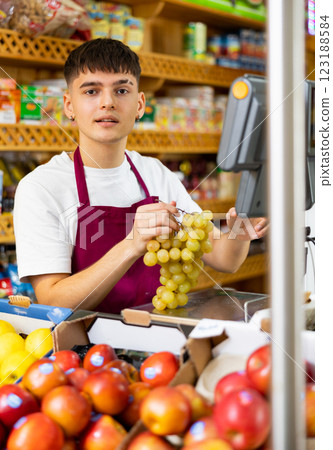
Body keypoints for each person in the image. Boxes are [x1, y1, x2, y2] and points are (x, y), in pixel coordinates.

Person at [13, 38, 268, 314]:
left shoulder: (156, 174)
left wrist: (242, 230)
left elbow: (222, 258)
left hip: (155, 339)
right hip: (85, 351)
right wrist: (132, 244)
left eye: (122, 90)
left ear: (139, 104)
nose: (107, 103)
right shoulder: (41, 188)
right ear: (68, 105)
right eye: (91, 92)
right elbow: (52, 302)